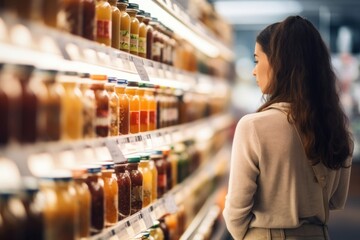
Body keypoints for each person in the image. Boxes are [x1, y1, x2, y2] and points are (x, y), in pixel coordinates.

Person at [223, 16, 353, 240]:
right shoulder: (336, 125)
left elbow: (236, 211)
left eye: (257, 60)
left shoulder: (253, 126)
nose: (254, 71)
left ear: (278, 62)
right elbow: (336, 200)